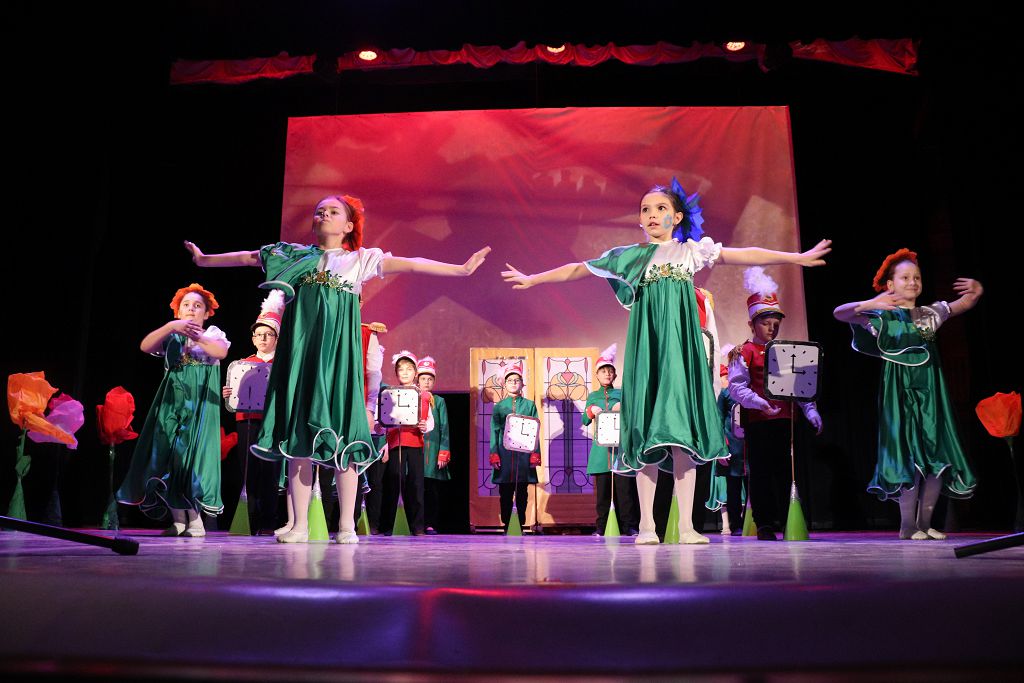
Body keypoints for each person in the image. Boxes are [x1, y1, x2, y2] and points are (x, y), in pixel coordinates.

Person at [502, 178, 830, 544]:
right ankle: (646, 527)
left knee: (681, 434)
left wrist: (794, 258)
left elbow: (742, 253)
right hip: (649, 354)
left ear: (677, 217)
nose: (652, 214)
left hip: (682, 355)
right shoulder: (631, 256)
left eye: (660, 208)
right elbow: (580, 268)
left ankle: (687, 526)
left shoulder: (690, 252)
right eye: (645, 209)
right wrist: (535, 278)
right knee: (646, 431)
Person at [184, 194, 489, 543]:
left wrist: (460, 269)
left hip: (338, 364)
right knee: (299, 441)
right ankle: (299, 525)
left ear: (348, 225)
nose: (324, 215)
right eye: (319, 211)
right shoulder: (294, 256)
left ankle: (346, 525)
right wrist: (204, 260)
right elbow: (250, 257)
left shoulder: (359, 260)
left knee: (346, 438)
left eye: (333, 211)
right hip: (303, 362)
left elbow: (412, 264)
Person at [833, 248, 981, 540]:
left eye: (917, 277)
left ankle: (925, 522)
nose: (912, 282)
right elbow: (840, 313)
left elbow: (961, 304)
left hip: (931, 393)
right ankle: (907, 525)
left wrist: (975, 293)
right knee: (908, 455)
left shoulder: (928, 315)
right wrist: (870, 303)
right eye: (905, 277)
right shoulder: (883, 317)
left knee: (936, 456)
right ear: (890, 284)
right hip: (899, 394)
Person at [117, 283, 229, 537]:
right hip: (171, 404)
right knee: (169, 456)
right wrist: (171, 327)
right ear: (178, 312)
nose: (191, 309)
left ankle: (196, 521)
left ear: (207, 313)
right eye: (186, 305)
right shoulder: (172, 337)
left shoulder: (212, 334)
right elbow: (145, 346)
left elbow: (220, 352)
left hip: (199, 407)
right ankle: (178, 519)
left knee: (193, 459)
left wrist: (196, 336)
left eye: (197, 306)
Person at [728, 269, 822, 541]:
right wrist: (759, 403)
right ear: (752, 324)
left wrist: (811, 410)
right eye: (766, 323)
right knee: (761, 472)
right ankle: (765, 523)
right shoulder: (743, 352)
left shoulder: (787, 351)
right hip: (759, 423)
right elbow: (737, 386)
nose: (772, 328)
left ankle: (788, 517)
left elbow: (801, 385)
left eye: (775, 323)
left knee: (786, 471)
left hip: (785, 421)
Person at [221, 290, 284, 535]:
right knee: (248, 471)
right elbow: (235, 397)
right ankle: (249, 520)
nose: (263, 338)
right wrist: (229, 393)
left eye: (268, 334)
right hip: (246, 421)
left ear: (277, 338)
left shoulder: (282, 366)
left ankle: (268, 522)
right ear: (253, 338)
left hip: (272, 424)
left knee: (270, 471)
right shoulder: (242, 364)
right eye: (258, 334)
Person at [581, 344, 638, 536]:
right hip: (601, 451)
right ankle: (602, 526)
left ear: (615, 375)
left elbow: (633, 418)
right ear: (597, 375)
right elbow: (584, 420)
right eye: (603, 371)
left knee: (625, 491)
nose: (607, 374)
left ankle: (629, 526)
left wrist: (623, 408)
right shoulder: (593, 396)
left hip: (620, 450)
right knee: (603, 494)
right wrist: (591, 410)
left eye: (610, 371)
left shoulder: (622, 394)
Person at [377, 350, 432, 536]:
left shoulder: (423, 395)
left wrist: (425, 426)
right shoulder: (389, 394)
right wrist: (383, 437)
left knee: (416, 485)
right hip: (395, 443)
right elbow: (382, 420)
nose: (405, 373)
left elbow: (429, 421)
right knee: (393, 482)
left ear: (415, 372)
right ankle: (389, 525)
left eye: (409, 369)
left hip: (415, 443)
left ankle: (417, 526)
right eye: (401, 369)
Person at [489, 362, 541, 533]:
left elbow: (535, 430)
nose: (513, 383)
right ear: (504, 384)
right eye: (510, 380)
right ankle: (506, 524)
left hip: (524, 454)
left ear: (522, 383)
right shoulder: (499, 406)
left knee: (522, 492)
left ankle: (519, 524)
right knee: (505, 491)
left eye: (516, 380)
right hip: (504, 453)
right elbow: (494, 431)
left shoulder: (529, 405)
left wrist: (535, 453)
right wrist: (494, 453)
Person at [417, 356, 451, 535]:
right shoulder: (412, 397)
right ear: (418, 380)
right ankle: (416, 523)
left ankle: (430, 523)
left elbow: (444, 427)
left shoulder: (439, 401)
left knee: (431, 489)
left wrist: (444, 451)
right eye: (423, 378)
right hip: (416, 449)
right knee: (415, 488)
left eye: (430, 379)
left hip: (433, 450)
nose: (426, 382)